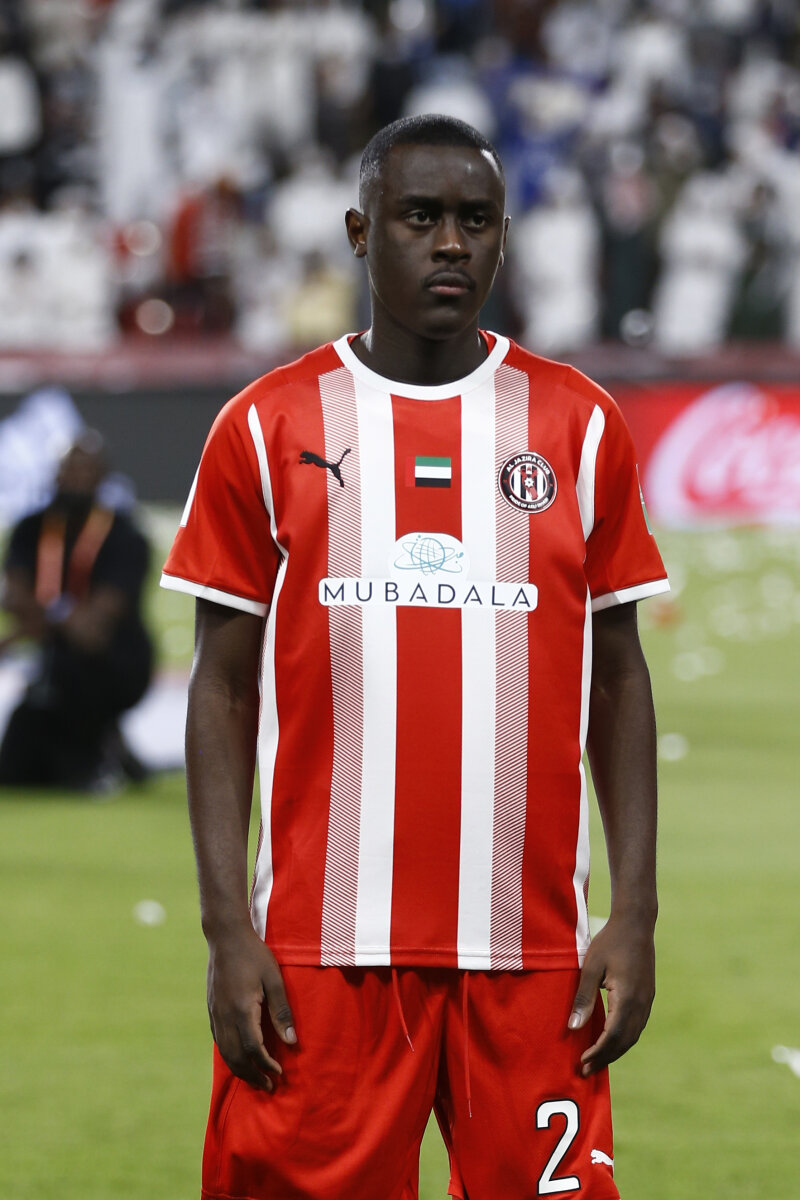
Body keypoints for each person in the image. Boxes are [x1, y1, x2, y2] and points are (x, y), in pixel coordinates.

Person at [161, 114, 669, 1200]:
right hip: (319, 949)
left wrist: (633, 911)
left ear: (504, 238)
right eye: (420, 217)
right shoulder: (265, 424)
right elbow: (222, 689)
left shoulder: (577, 426)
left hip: (532, 952)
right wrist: (225, 927)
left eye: (476, 221)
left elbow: (619, 678)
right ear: (361, 232)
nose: (450, 243)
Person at [0, 430, 153, 789]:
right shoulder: (31, 528)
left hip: (113, 662)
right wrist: (57, 617)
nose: (74, 479)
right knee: (12, 771)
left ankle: (103, 749)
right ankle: (109, 747)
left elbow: (93, 627)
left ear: (102, 477)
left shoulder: (125, 535)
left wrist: (35, 620)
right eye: (67, 470)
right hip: (53, 662)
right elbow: (13, 596)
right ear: (55, 475)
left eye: (85, 471)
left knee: (74, 761)